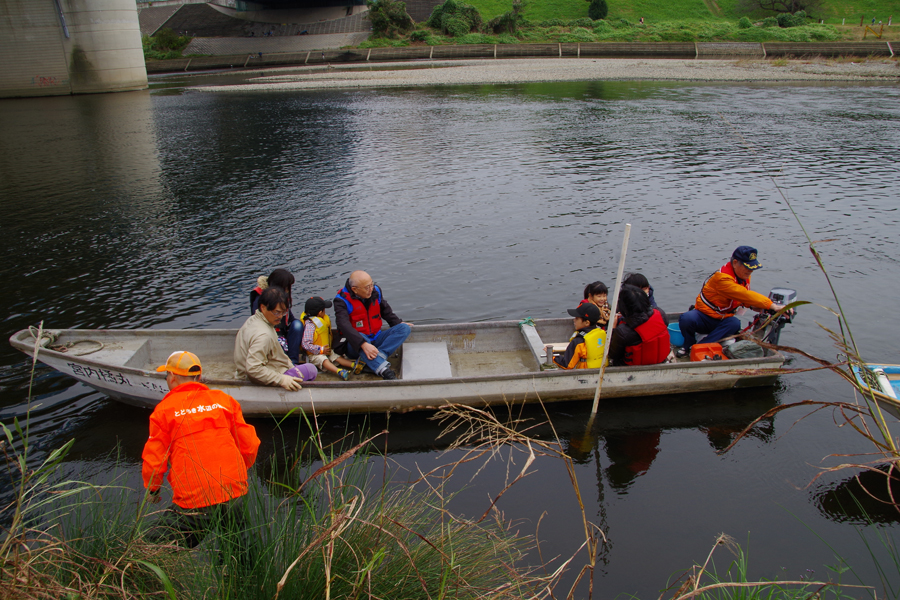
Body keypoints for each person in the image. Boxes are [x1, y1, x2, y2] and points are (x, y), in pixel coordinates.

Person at [142, 351, 260, 553]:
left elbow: (154, 458)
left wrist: (153, 490)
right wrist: (237, 472)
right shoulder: (224, 400)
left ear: (172, 377)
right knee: (239, 552)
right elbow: (249, 444)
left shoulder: (164, 410)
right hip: (234, 489)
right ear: (199, 377)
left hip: (194, 499)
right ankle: (242, 579)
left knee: (149, 546)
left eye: (166, 376)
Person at [676, 246, 787, 358]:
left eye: (752, 268)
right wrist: (772, 305)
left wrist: (759, 307)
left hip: (723, 319)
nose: (750, 271)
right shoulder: (722, 278)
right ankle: (688, 346)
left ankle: (700, 346)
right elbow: (744, 294)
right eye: (748, 267)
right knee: (687, 318)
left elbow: (742, 298)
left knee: (734, 323)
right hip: (704, 317)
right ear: (735, 263)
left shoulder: (743, 275)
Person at [334, 270, 411, 380]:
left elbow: (385, 310)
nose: (371, 289)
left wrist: (397, 323)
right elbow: (344, 326)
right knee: (360, 336)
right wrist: (363, 344)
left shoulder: (375, 291)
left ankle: (378, 356)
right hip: (355, 345)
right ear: (354, 289)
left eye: (371, 285)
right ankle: (383, 370)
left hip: (376, 339)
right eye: (367, 287)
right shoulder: (341, 301)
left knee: (404, 328)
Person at [235, 287, 305, 390]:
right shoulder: (264, 336)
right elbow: (253, 369)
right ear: (263, 307)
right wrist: (281, 379)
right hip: (253, 377)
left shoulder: (254, 319)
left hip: (246, 370)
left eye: (283, 312)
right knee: (311, 370)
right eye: (276, 312)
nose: (280, 316)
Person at [249, 268, 304, 364]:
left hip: (282, 332)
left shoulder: (282, 297)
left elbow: (290, 318)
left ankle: (293, 361)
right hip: (268, 333)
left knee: (297, 324)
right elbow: (257, 321)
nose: (287, 290)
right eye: (286, 287)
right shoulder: (261, 299)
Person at [608, 284, 670, 366]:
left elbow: (613, 354)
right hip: (661, 360)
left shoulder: (623, 331)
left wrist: (613, 329)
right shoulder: (660, 313)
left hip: (634, 366)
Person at [300, 296, 353, 381]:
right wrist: (320, 350)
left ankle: (353, 365)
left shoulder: (320, 321)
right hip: (314, 354)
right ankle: (339, 371)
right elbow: (305, 344)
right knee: (323, 360)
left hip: (325, 350)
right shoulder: (310, 325)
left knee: (336, 356)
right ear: (320, 313)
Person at [554, 302, 607, 370]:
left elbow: (567, 365)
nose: (574, 320)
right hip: (602, 371)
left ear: (587, 323)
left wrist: (552, 354)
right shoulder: (603, 334)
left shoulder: (578, 341)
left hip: (585, 375)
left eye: (577, 318)